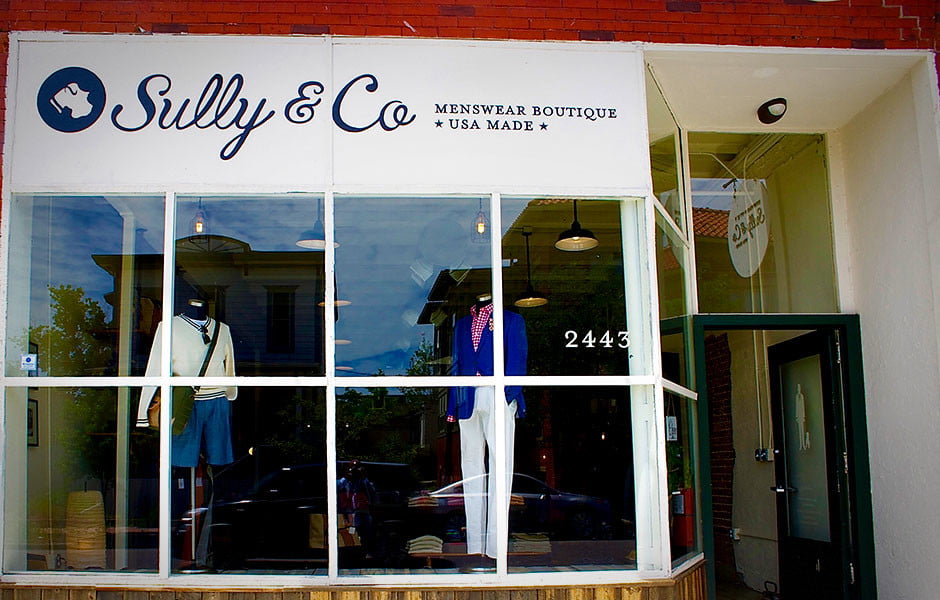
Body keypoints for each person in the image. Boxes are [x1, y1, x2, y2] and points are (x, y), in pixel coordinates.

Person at [446, 294, 528, 558]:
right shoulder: (461, 325)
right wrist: (453, 403)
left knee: (501, 465)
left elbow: (518, 358)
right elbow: (457, 364)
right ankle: (475, 546)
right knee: (470, 466)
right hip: (468, 396)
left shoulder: (511, 320)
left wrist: (508, 393)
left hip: (497, 392)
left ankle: (495, 549)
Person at [337, 460, 378, 557]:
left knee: (365, 532)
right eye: (353, 469)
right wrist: (347, 477)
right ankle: (350, 552)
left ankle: (366, 551)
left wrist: (363, 477)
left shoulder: (364, 482)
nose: (355, 472)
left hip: (362, 511)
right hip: (347, 512)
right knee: (349, 532)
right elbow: (336, 487)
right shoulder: (344, 482)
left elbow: (373, 495)